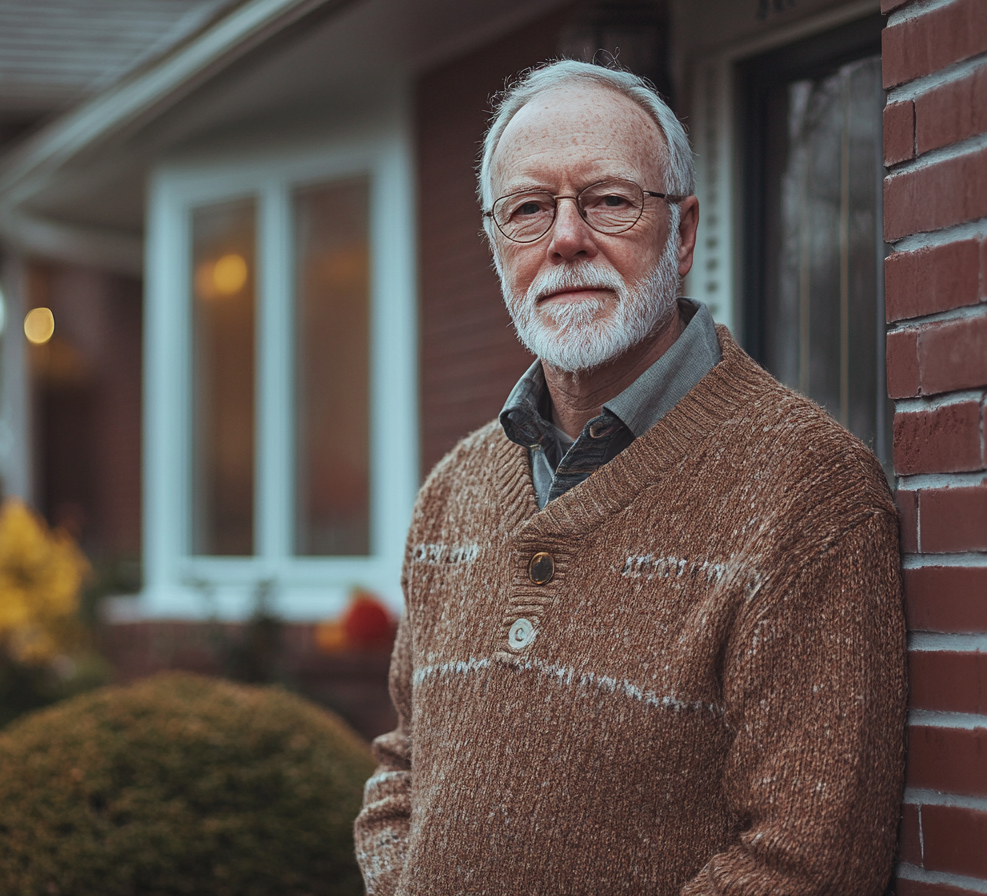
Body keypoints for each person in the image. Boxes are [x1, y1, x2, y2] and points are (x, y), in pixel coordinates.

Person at [354, 59, 906, 896]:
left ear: (682, 233)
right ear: (498, 243)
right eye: (529, 209)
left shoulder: (810, 494)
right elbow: (402, 774)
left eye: (609, 200)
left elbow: (806, 861)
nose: (566, 238)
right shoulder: (454, 490)